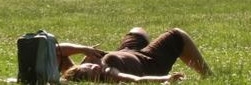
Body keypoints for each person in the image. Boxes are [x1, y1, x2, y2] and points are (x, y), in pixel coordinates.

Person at [58, 27, 212, 83]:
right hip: (148, 61)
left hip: (128, 52)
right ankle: (208, 75)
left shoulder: (77, 71)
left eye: (90, 66)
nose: (94, 66)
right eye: (94, 71)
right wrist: (166, 78)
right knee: (177, 35)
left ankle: (135, 53)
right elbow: (138, 80)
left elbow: (58, 50)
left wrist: (84, 50)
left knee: (137, 31)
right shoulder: (110, 73)